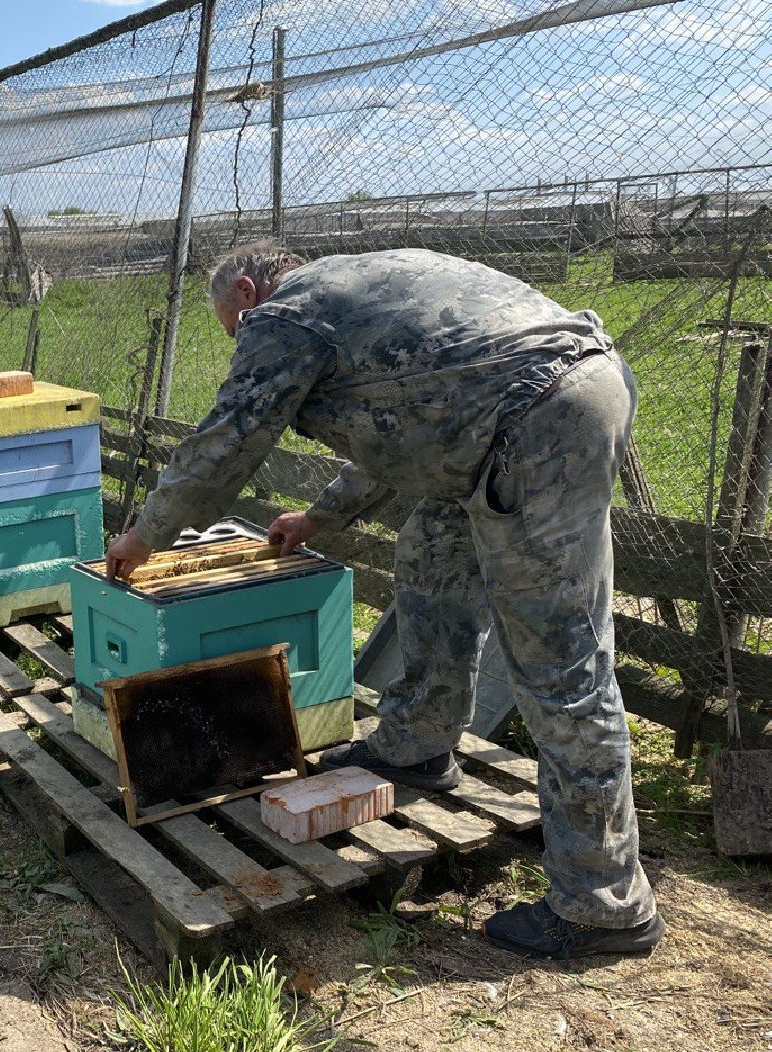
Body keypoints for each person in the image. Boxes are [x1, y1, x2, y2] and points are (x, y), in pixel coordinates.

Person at [104, 242, 665, 960]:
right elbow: (409, 425)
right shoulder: (353, 292)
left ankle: (602, 903)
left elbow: (228, 441)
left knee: (561, 665)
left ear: (246, 292)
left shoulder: (284, 315)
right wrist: (319, 519)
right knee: (429, 561)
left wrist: (147, 535)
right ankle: (417, 744)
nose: (239, 345)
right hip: (520, 418)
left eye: (230, 330)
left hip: (539, 425)